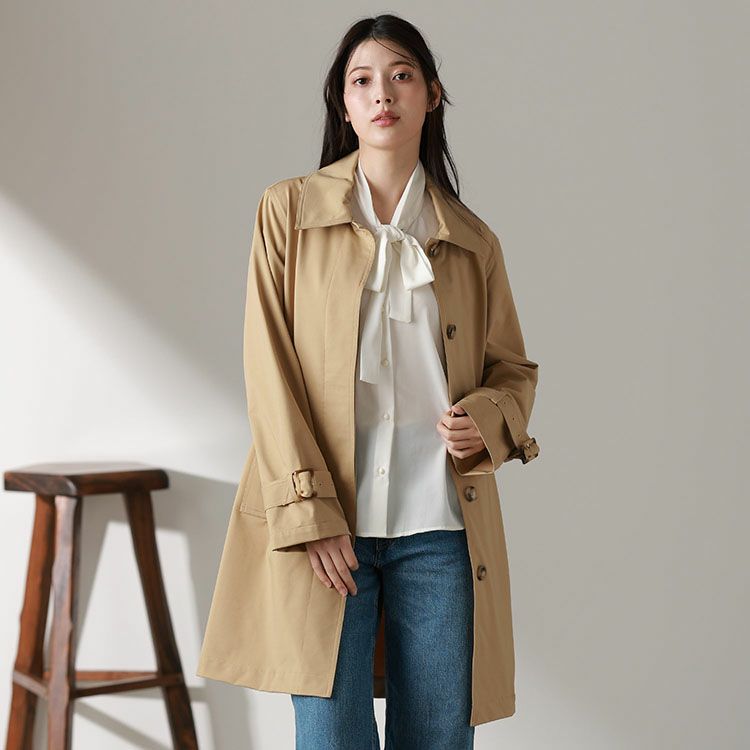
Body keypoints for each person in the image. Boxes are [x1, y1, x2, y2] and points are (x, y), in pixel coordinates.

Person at [196, 12, 540, 750]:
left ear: (432, 96)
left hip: (441, 530)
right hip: (328, 529)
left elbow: (512, 369)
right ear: (344, 104)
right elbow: (269, 367)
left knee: (440, 740)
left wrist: (486, 417)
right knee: (329, 737)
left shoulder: (472, 240)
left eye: (401, 75)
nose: (383, 93)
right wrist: (308, 509)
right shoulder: (288, 211)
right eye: (362, 80)